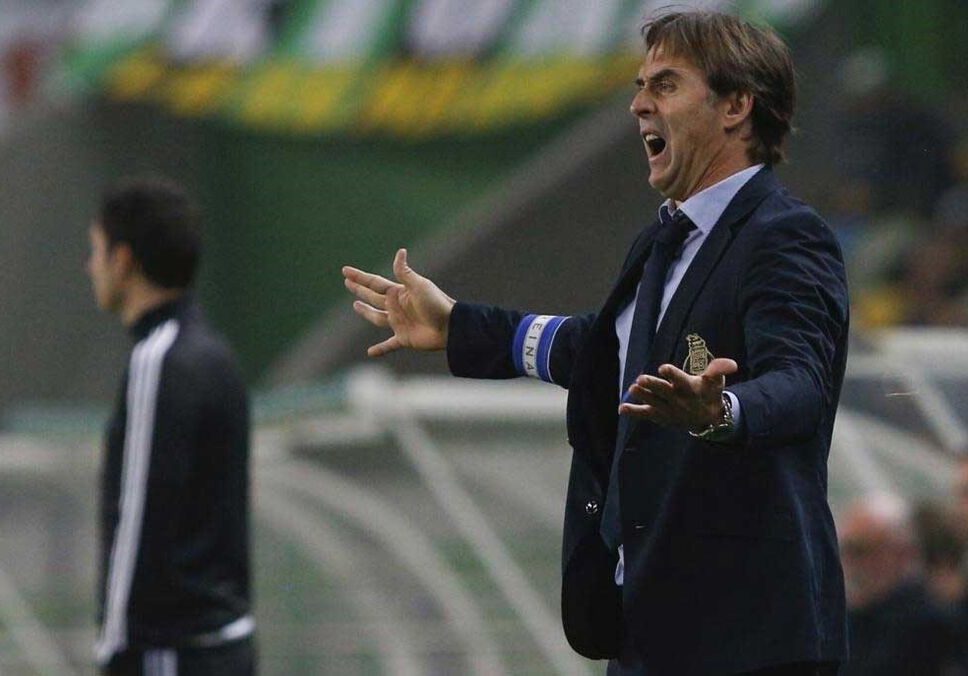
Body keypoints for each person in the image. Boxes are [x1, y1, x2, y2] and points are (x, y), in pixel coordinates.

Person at [343, 10, 848, 675]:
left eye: (665, 85)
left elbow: (802, 382)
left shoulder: (784, 235)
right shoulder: (664, 242)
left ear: (735, 106)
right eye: (641, 86)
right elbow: (604, 352)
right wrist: (458, 326)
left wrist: (720, 412)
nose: (639, 104)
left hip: (745, 643)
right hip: (650, 632)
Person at [87, 178, 255, 675]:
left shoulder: (158, 360)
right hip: (228, 644)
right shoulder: (217, 356)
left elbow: (137, 515)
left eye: (95, 250)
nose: (90, 266)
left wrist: (114, 648)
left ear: (123, 261)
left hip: (171, 654)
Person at [838, 495, 964, 675]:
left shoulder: (931, 624)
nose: (850, 563)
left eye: (860, 551)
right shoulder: (847, 618)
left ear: (902, 553)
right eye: (846, 550)